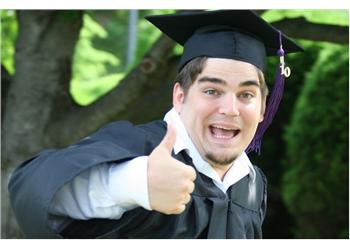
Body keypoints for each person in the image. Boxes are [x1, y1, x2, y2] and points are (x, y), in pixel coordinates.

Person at [8, 10, 303, 239]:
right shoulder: (138, 150)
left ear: (263, 107)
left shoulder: (252, 183)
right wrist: (131, 183)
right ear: (180, 95)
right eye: (212, 90)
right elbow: (31, 188)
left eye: (246, 94)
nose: (230, 109)